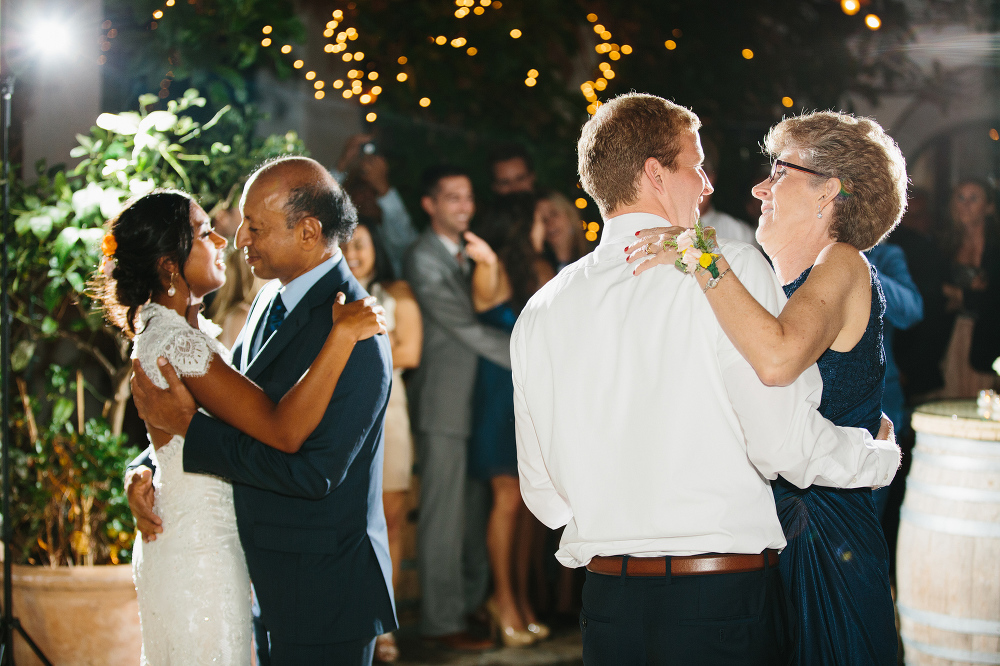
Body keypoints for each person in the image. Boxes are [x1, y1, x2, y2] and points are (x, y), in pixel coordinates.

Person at [514, 93, 900, 664]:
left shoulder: (541, 309)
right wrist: (876, 456)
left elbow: (543, 495)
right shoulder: (725, 268)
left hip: (607, 608)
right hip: (720, 599)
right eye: (696, 166)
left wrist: (623, 516)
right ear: (655, 174)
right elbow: (781, 444)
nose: (712, 185)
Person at [630, 110, 908, 665]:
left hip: (824, 540)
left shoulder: (843, 262)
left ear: (828, 190)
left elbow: (778, 358)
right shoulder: (773, 283)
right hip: (773, 528)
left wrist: (697, 250)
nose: (760, 187)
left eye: (778, 172)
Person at [126, 158, 397, 665]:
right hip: (256, 581)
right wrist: (147, 467)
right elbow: (222, 411)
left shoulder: (356, 334)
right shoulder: (267, 298)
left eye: (256, 227)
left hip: (320, 592)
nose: (239, 238)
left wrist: (186, 432)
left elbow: (313, 473)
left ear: (309, 231)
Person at [402, 166, 507, 651]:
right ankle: (442, 623)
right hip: (442, 401)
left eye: (467, 197)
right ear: (430, 205)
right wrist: (523, 352)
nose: (464, 206)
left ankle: (465, 607)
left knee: (471, 509)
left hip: (475, 399)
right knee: (443, 516)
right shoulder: (423, 258)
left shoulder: (468, 252)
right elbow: (462, 327)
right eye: (452, 198)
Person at [462, 194, 554, 647]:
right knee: (507, 499)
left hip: (524, 395)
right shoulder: (490, 267)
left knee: (523, 505)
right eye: (537, 220)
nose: (545, 227)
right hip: (498, 395)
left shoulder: (531, 271)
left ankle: (519, 602)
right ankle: (502, 600)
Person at [343, 221, 423, 663]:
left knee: (391, 518)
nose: (352, 251)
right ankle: (352, 619)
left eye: (361, 243)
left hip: (390, 414)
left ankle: (385, 626)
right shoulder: (328, 296)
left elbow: (410, 352)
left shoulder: (397, 293)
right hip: (343, 416)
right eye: (345, 243)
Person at [936, 178, 1000, 397]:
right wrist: (969, 295)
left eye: (974, 198)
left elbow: (994, 302)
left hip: (988, 341)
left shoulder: (995, 248)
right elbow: (931, 289)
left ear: (989, 207)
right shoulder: (943, 244)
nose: (965, 205)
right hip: (950, 336)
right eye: (960, 198)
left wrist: (957, 294)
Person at [332, 133, 418, 277]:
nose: (367, 197)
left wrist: (383, 187)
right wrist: (342, 164)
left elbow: (406, 239)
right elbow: (319, 207)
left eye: (374, 191)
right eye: (361, 189)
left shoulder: (391, 236)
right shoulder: (336, 230)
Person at [535, 190, 592, 273]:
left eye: (553, 214)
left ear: (570, 215)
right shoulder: (538, 269)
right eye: (543, 219)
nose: (549, 223)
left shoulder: (593, 257)